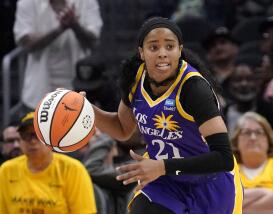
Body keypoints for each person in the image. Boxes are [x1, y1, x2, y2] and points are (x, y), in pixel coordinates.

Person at [85, 17, 243, 214]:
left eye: (170, 46)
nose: (162, 54)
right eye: (153, 47)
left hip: (211, 183)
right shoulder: (135, 80)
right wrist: (88, 110)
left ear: (179, 50)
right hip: (166, 181)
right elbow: (122, 128)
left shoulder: (194, 89)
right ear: (141, 52)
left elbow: (223, 158)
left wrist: (162, 167)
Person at [13, 0, 102, 111]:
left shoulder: (88, 2)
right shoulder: (27, 2)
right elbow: (27, 44)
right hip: (38, 93)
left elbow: (93, 42)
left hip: (79, 91)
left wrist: (75, 26)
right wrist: (60, 29)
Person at [0, 112, 97, 213]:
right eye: (26, 135)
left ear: (52, 138)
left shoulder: (73, 170)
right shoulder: (7, 170)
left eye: (39, 135)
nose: (32, 141)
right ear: (20, 140)